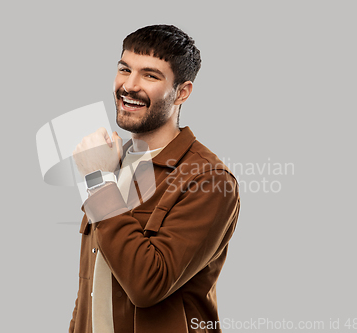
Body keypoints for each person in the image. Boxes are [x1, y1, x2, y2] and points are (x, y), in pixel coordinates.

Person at [70, 24, 240, 333]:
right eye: (125, 69)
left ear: (182, 92)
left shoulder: (209, 180)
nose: (129, 86)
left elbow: (147, 285)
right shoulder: (112, 162)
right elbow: (91, 287)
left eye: (150, 75)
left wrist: (98, 181)